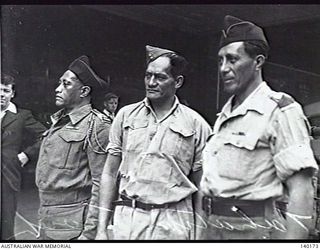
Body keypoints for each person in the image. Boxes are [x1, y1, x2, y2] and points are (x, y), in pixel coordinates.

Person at [199, 15, 318, 239]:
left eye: (232, 59)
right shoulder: (224, 115)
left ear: (258, 62)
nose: (223, 68)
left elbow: (301, 190)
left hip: (254, 230)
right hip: (213, 228)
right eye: (220, 60)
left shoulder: (280, 110)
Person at [95, 45, 212, 240]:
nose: (151, 82)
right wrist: (101, 229)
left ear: (178, 81)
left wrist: (199, 237)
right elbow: (109, 173)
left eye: (160, 77)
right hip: (128, 221)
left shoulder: (196, 124)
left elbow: (203, 188)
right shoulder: (125, 116)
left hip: (173, 223)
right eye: (148, 76)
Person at [35, 55, 110, 240]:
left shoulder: (97, 125)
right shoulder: (59, 121)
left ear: (84, 91)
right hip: (47, 218)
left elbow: (102, 184)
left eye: (66, 84)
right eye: (59, 83)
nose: (57, 89)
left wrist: (89, 234)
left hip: (74, 226)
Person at [1, 73, 47, 240]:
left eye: (6, 91)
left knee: (5, 226)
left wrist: (26, 155)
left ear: (12, 94)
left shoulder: (21, 115)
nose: (1, 95)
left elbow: (45, 135)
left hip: (7, 176)